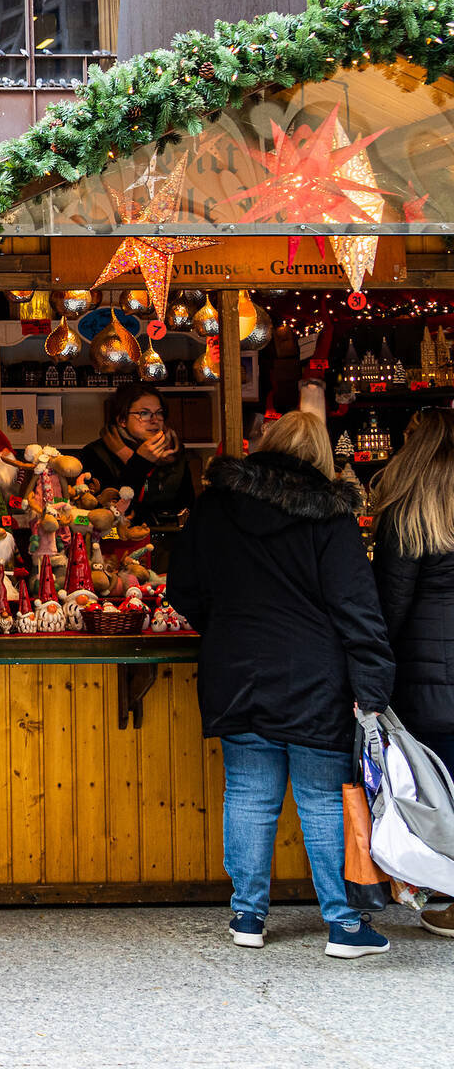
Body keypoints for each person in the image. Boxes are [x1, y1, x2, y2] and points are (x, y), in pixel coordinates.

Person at [166, 410, 394, 959]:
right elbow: (356, 607)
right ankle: (343, 925)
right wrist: (373, 679)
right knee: (321, 799)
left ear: (266, 445)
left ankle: (247, 916)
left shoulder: (216, 503)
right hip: (314, 675)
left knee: (248, 792)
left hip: (234, 668)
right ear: (319, 457)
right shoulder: (329, 515)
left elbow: (182, 586)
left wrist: (224, 626)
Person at [368, 406, 454, 938]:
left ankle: (448, 896)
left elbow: (389, 607)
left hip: (428, 677)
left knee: (439, 794)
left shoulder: (411, 511)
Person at [77, 383, 195, 524]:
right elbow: (98, 512)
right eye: (144, 413)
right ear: (122, 420)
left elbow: (189, 506)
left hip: (169, 539)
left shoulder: (174, 452)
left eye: (159, 413)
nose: (154, 420)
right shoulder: (96, 453)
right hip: (119, 539)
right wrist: (140, 462)